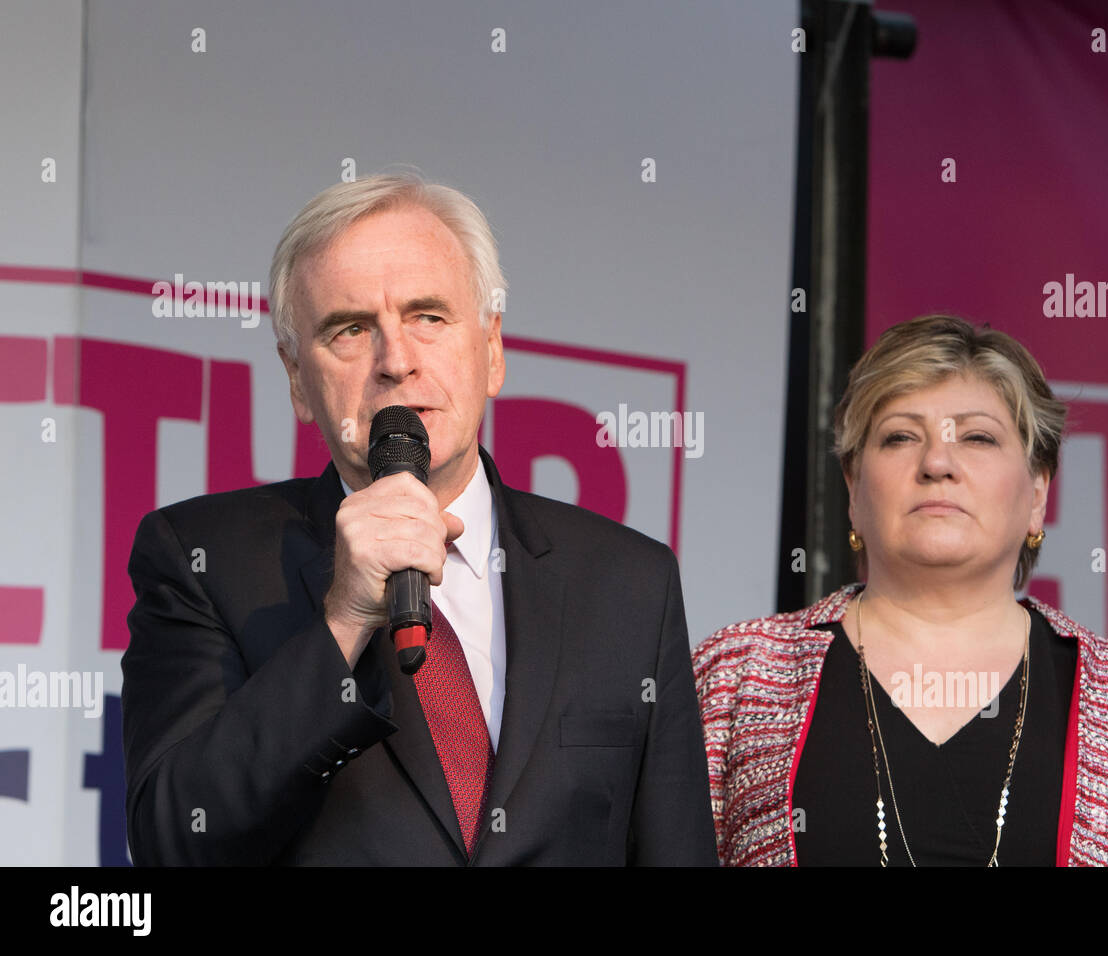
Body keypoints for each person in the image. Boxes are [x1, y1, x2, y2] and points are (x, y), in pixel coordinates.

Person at [121, 172, 717, 865]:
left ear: (492, 350)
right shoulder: (201, 558)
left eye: (428, 317)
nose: (396, 361)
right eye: (350, 329)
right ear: (295, 378)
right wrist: (342, 621)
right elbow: (173, 837)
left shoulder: (629, 582)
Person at [692, 314, 1108, 866]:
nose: (937, 462)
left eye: (978, 437)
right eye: (901, 437)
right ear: (854, 489)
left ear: (1037, 491)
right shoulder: (735, 676)